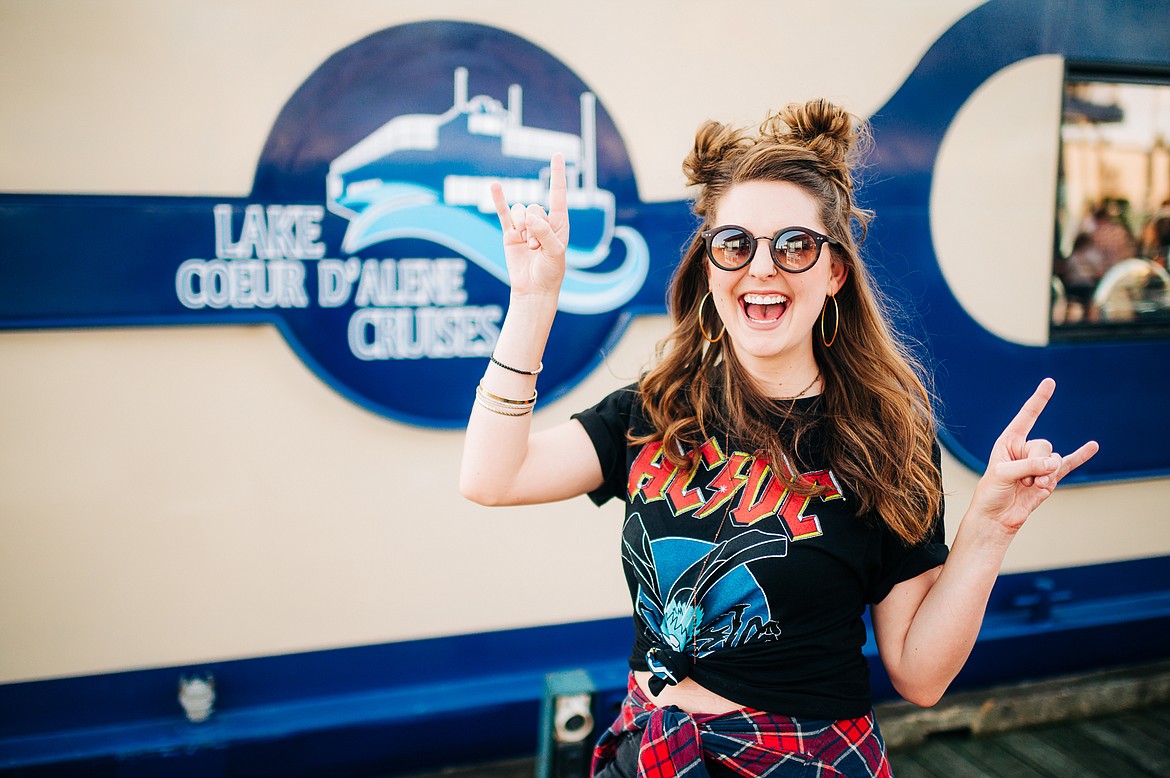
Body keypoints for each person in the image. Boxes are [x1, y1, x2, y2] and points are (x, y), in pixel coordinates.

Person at [459, 100, 1098, 777]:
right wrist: (532, 301)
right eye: (735, 244)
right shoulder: (656, 410)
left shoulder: (885, 438)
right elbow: (491, 478)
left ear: (834, 274)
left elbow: (919, 675)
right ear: (710, 269)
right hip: (652, 753)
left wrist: (990, 528)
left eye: (794, 245)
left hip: (801, 762)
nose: (762, 267)